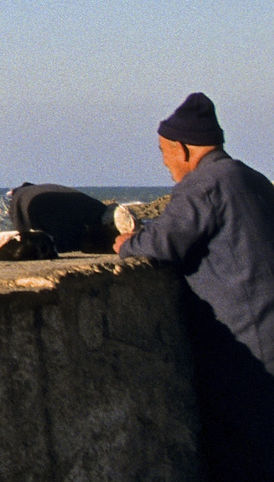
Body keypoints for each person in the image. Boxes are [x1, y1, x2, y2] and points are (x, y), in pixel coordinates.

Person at [116, 93, 274, 481]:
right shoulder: (254, 179)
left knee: (245, 460)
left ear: (183, 148)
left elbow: (160, 246)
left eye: (164, 152)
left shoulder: (204, 184)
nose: (165, 163)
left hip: (246, 353)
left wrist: (127, 244)